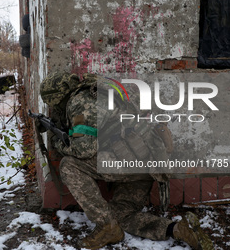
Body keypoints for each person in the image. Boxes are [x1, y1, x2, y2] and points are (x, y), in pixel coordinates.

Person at [38, 71, 213, 250]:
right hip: (146, 165)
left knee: (69, 165)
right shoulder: (100, 90)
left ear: (57, 97)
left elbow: (84, 149)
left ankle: (106, 227)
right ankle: (178, 230)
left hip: (127, 162)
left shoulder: (81, 102)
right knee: (122, 215)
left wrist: (56, 142)